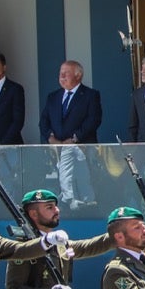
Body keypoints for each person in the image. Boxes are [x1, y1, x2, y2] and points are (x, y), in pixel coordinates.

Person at [39, 61, 101, 211]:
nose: (61, 76)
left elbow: (93, 120)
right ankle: (66, 206)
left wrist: (74, 139)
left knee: (83, 183)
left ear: (78, 75)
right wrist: (50, 138)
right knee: (63, 182)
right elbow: (44, 121)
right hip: (57, 149)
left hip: (81, 148)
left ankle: (86, 206)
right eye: (60, 72)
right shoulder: (53, 96)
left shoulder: (90, 95)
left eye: (66, 73)